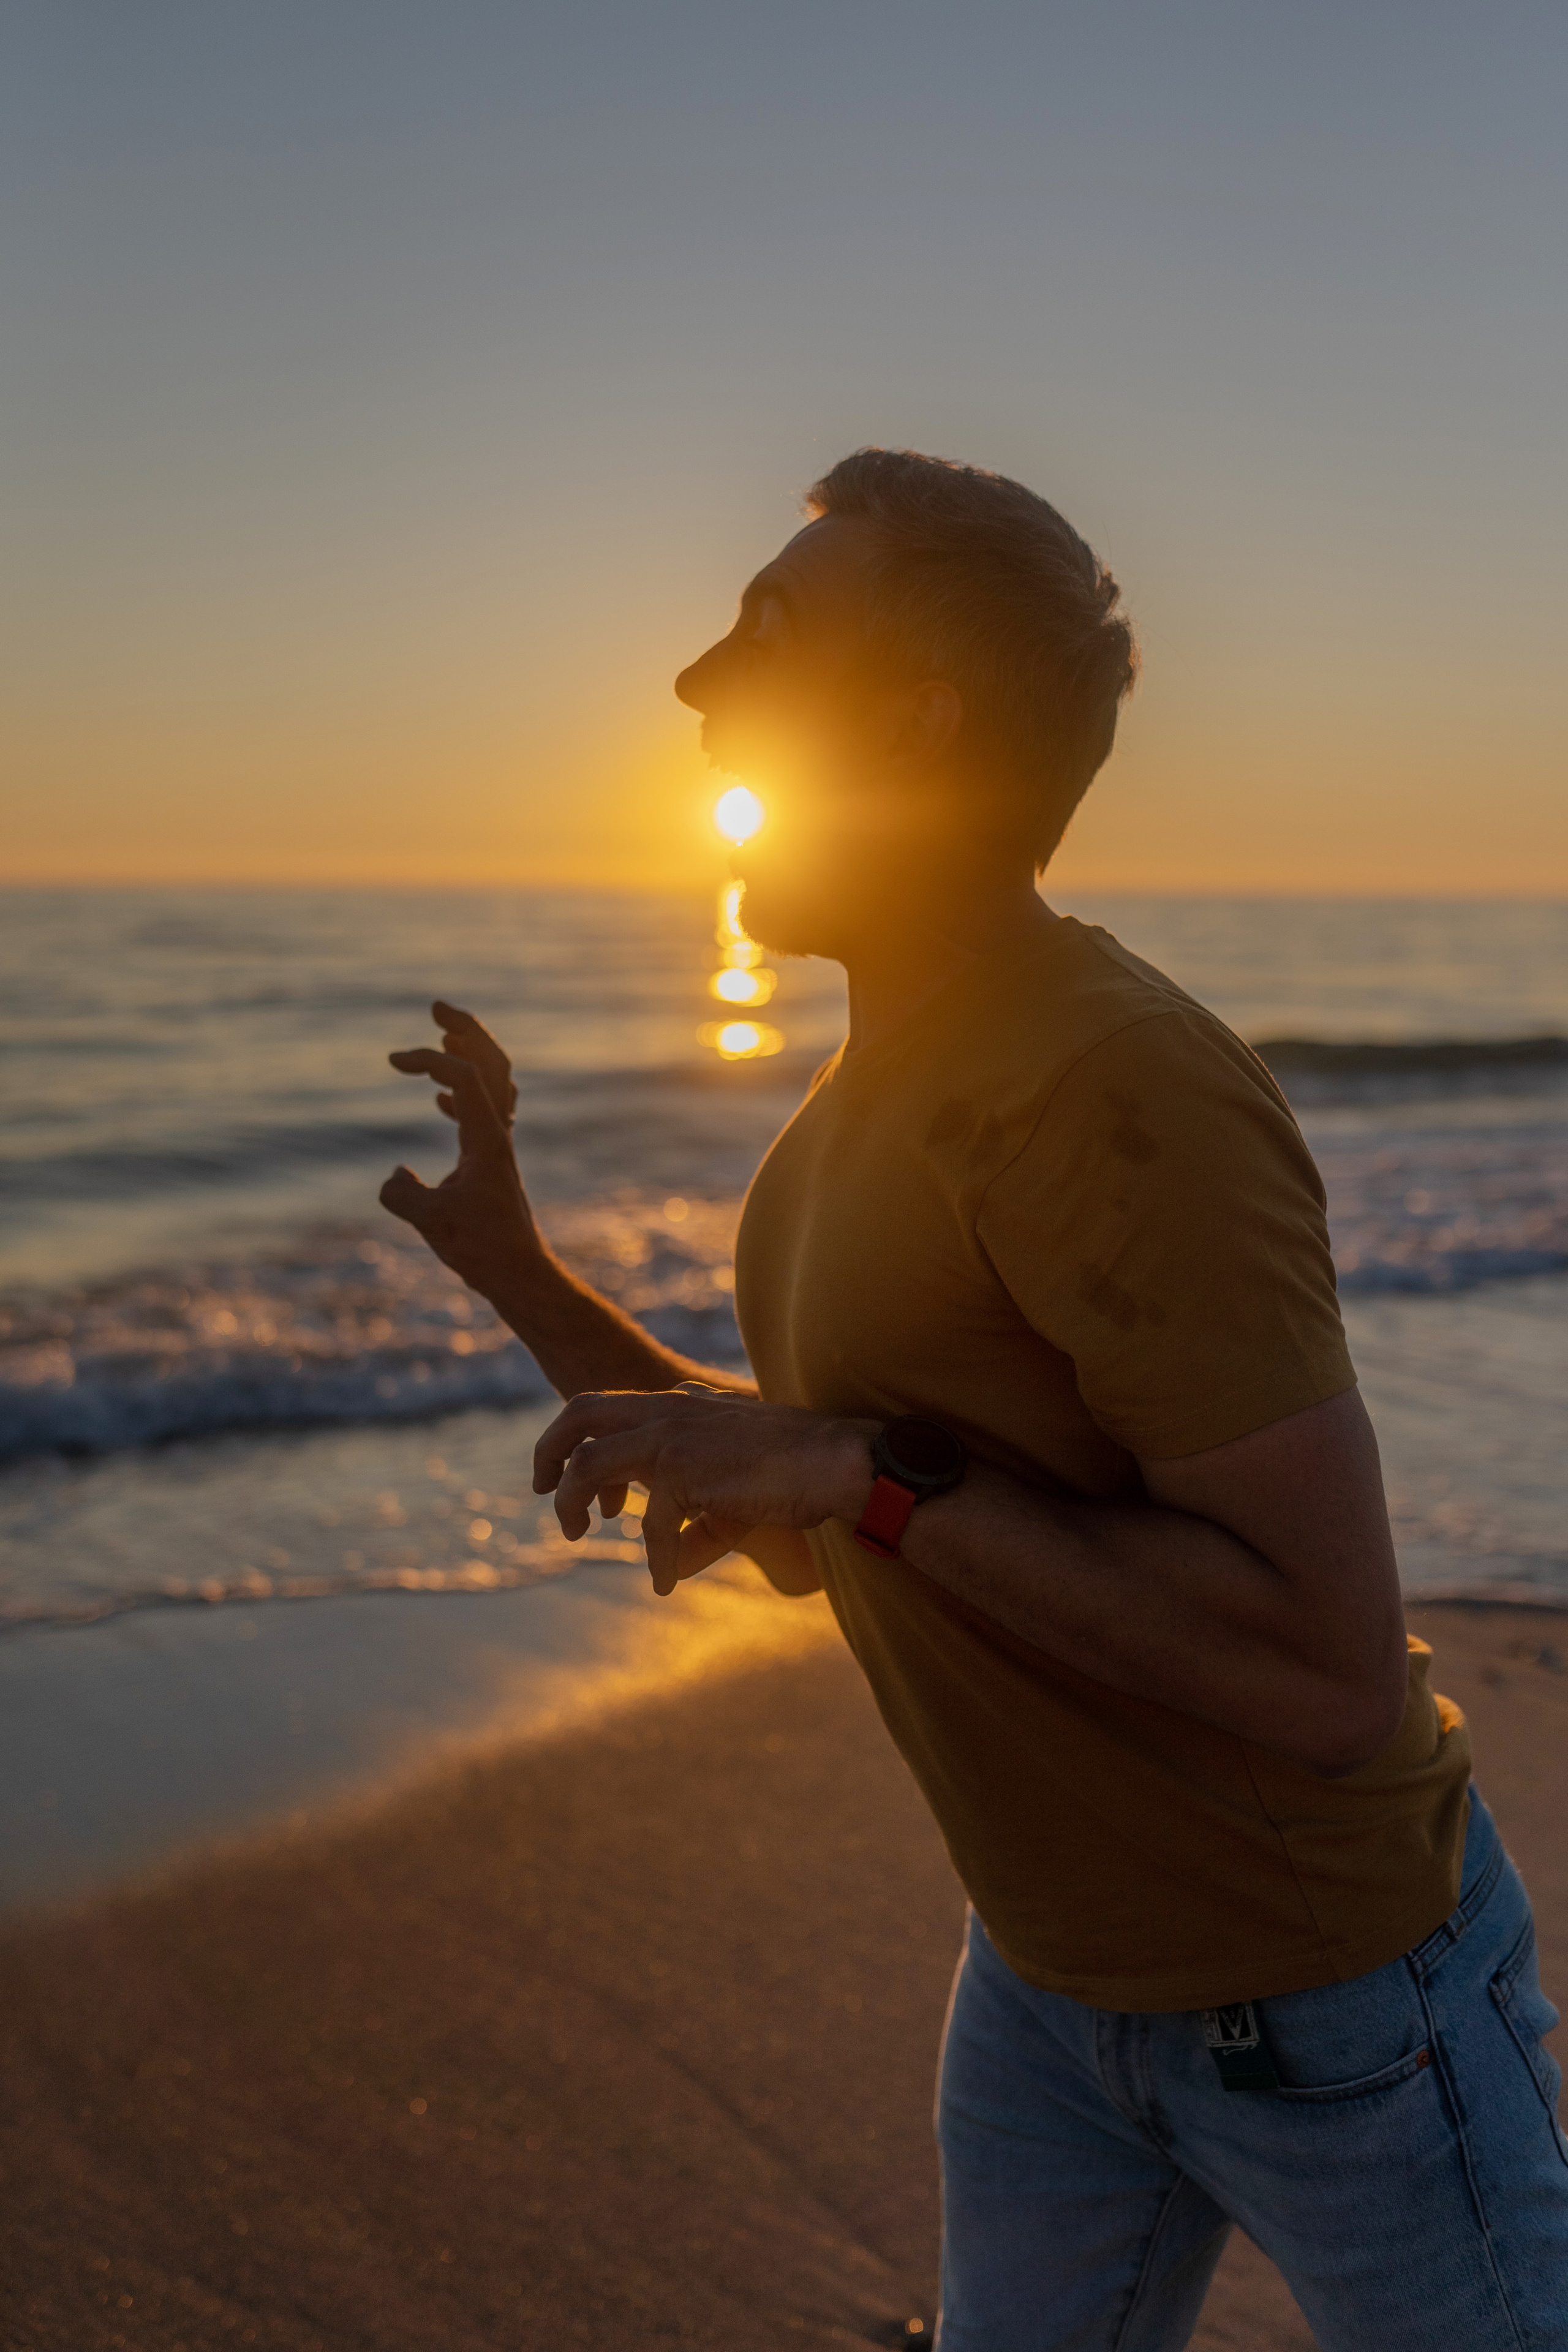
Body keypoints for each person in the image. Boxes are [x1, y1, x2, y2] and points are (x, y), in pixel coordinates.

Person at [382, 447, 1568, 2350]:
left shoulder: (1112, 1083)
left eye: (770, 632)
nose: (697, 681)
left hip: (1331, 2005)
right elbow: (830, 1518)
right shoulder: (845, 1124)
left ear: (913, 724)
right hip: (1044, 1988)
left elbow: (1328, 1673)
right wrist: (523, 1274)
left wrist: (861, 1470)